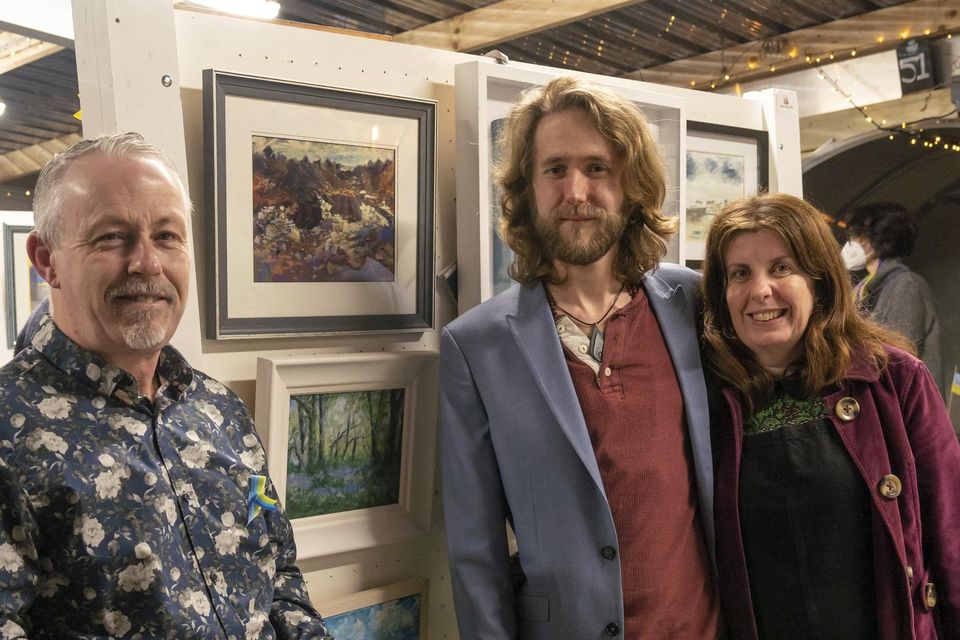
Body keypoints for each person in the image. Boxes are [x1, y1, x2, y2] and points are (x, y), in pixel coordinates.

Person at [0, 133, 332, 639]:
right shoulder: (8, 426)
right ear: (46, 260)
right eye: (112, 237)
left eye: (167, 236)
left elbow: (279, 575)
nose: (147, 263)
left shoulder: (220, 410)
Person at [441, 76, 720, 639]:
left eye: (597, 168)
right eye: (554, 169)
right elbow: (476, 552)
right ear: (527, 188)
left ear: (631, 184)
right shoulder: (476, 345)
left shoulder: (696, 302)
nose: (575, 192)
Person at [700, 192, 960, 640]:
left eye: (782, 268)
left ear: (819, 281)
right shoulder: (709, 402)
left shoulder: (895, 381)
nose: (760, 290)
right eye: (740, 273)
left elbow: (951, 533)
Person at [840, 201, 943, 393]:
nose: (851, 242)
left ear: (880, 238)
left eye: (857, 234)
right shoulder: (868, 287)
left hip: (907, 409)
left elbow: (896, 357)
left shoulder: (905, 285)